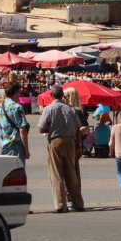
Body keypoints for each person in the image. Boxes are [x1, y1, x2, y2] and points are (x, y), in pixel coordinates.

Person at [37, 85, 85, 213]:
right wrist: (78, 146)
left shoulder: (48, 109)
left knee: (56, 173)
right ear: (62, 95)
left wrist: (52, 128)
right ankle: (78, 203)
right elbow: (78, 129)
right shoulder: (70, 109)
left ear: (51, 95)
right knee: (71, 173)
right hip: (70, 141)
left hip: (55, 141)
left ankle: (61, 204)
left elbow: (41, 128)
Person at [0, 82, 30, 162]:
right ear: (16, 92)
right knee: (17, 173)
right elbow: (22, 129)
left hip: (3, 146)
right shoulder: (17, 107)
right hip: (15, 146)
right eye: (19, 92)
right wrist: (26, 149)